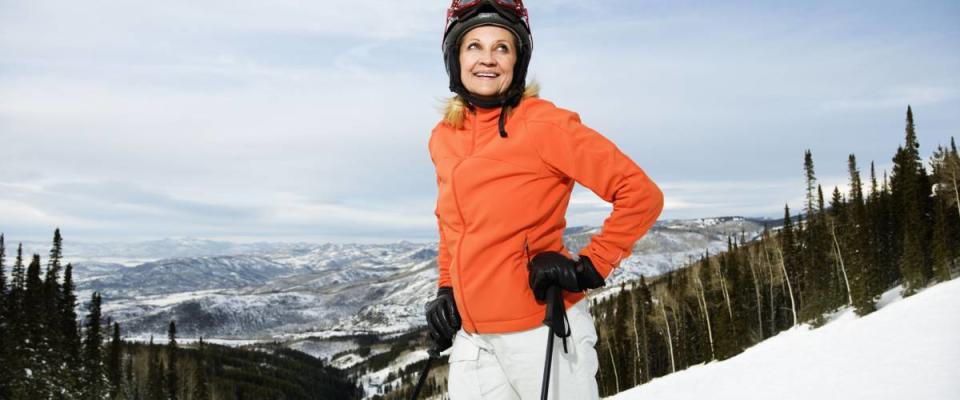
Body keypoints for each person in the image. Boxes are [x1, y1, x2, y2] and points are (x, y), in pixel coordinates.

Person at [425, 1, 664, 399]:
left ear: (518, 60)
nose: (488, 59)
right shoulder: (443, 136)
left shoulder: (543, 125)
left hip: (542, 331)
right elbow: (450, 223)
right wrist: (447, 288)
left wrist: (589, 268)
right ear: (454, 57)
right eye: (474, 47)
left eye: (502, 47)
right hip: (474, 340)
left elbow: (641, 194)